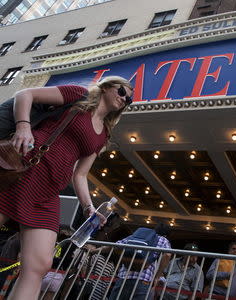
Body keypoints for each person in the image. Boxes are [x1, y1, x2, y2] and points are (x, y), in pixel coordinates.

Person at [0, 76, 133, 300]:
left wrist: (89, 207)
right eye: (122, 92)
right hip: (24, 168)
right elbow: (25, 94)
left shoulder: (103, 134)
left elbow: (80, 174)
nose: (125, 99)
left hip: (49, 192)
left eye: (128, 100)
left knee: (40, 264)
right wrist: (23, 127)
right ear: (107, 87)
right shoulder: (78, 95)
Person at [109, 223, 172, 300]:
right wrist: (157, 277)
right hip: (143, 280)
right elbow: (167, 255)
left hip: (123, 277)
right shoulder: (163, 240)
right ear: (166, 235)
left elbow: (115, 246)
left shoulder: (135, 236)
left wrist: (123, 260)